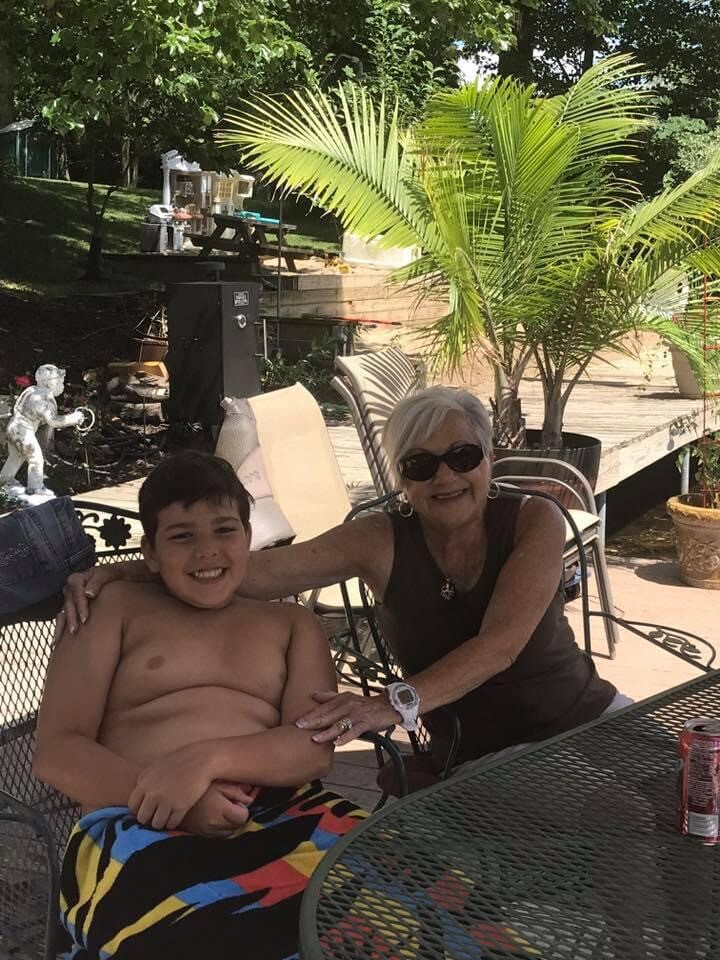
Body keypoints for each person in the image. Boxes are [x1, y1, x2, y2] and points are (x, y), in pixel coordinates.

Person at [64, 386, 627, 776]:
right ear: (401, 478)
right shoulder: (378, 538)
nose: (445, 476)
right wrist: (127, 569)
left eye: (462, 456)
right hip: (489, 755)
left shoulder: (533, 518)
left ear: (489, 458)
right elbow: (249, 571)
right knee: (622, 831)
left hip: (590, 716)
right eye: (421, 465)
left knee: (677, 793)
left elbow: (500, 645)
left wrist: (392, 704)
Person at [36, 451, 366, 960]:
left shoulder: (290, 625)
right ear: (150, 552)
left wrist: (205, 761)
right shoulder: (110, 609)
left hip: (285, 811)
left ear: (248, 536)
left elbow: (313, 745)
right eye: (182, 536)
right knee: (212, 938)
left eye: (224, 530)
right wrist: (178, 802)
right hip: (136, 823)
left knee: (411, 901)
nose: (207, 551)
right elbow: (57, 750)